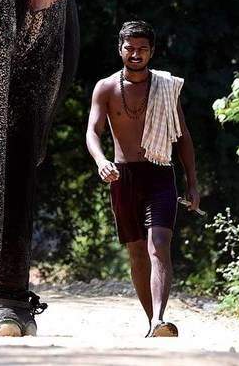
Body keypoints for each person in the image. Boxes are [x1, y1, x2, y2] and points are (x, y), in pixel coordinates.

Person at [85, 20, 200, 337]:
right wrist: (101, 160)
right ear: (120, 49)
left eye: (142, 49)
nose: (136, 54)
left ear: (152, 52)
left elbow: (183, 136)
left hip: (160, 173)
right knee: (137, 253)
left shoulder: (165, 86)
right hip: (123, 176)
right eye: (130, 48)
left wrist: (192, 182)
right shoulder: (105, 88)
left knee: (159, 245)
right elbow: (93, 132)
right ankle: (153, 322)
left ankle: (159, 318)